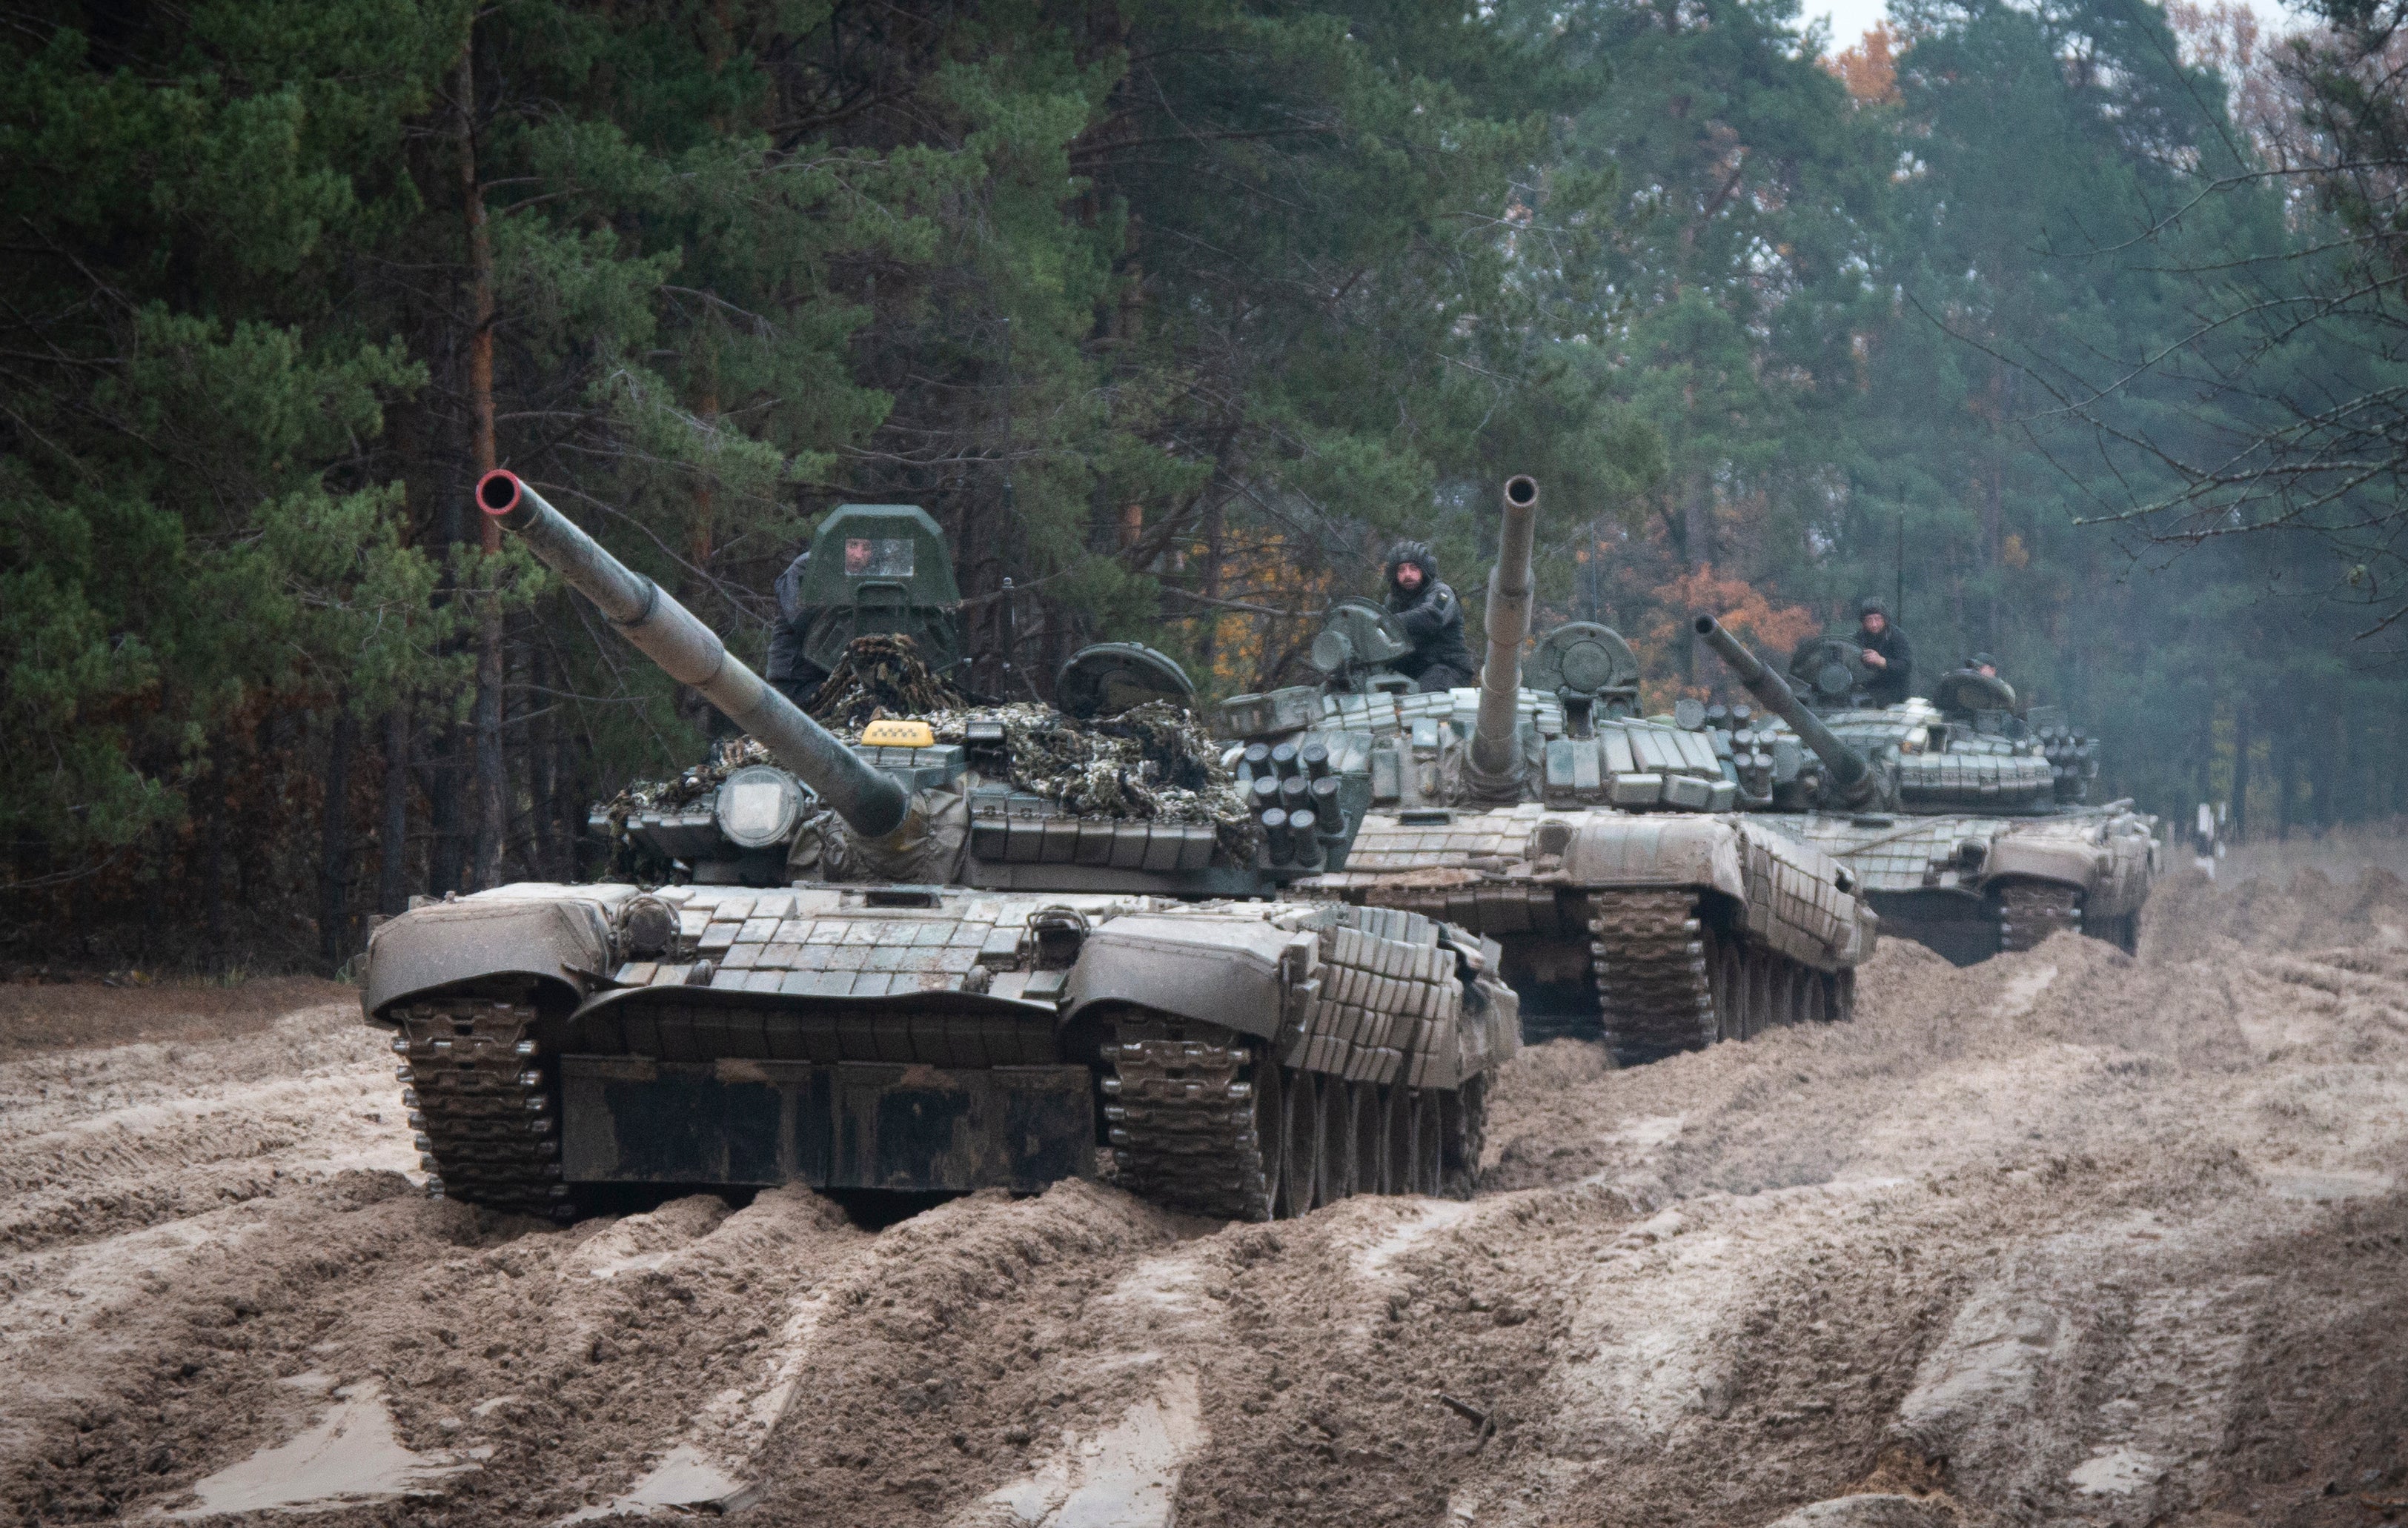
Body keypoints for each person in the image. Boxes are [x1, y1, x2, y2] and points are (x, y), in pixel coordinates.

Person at [1384, 540, 1475, 693]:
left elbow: (1432, 617)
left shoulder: (1441, 593)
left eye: (1413, 568)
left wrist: (1390, 622)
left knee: (1417, 699)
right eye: (1401, 570)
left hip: (1448, 668)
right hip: (1412, 669)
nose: (1407, 575)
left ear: (1424, 570)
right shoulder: (1393, 602)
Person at [765, 550, 828, 709]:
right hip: (797, 680)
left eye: (866, 548)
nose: (859, 554)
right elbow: (806, 622)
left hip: (833, 680)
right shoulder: (808, 566)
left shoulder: (873, 573)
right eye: (853, 545)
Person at [1854, 597, 1914, 706]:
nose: (1874, 624)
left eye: (1877, 619)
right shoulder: (1859, 638)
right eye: (1869, 620)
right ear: (1863, 622)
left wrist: (1883, 662)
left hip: (1894, 695)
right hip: (1865, 694)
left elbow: (1906, 666)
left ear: (1885, 620)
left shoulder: (1896, 636)